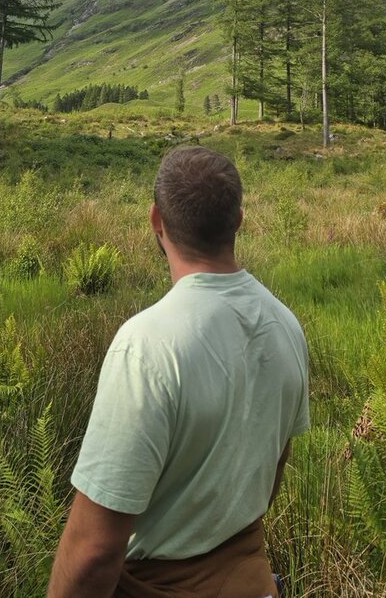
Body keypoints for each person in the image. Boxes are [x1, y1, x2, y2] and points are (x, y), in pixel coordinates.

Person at [47, 146, 309, 598]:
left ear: (156, 220)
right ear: (238, 220)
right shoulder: (286, 325)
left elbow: (94, 551)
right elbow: (273, 473)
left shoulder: (146, 347)